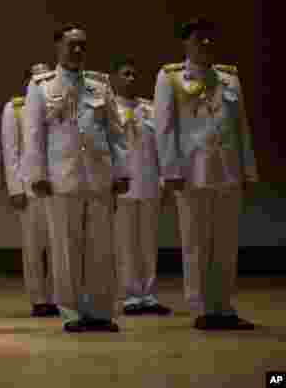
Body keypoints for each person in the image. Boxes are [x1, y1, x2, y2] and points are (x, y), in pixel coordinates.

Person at [22, 23, 128, 333]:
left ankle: (100, 312)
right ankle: (71, 313)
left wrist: (123, 171)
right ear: (58, 47)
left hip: (98, 177)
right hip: (61, 178)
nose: (78, 50)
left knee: (100, 247)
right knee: (66, 248)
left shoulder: (99, 85)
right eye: (72, 45)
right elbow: (33, 135)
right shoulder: (42, 86)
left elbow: (115, 132)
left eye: (82, 45)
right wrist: (37, 174)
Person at [154, 17, 258, 330]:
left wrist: (248, 171)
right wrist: (170, 171)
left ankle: (224, 306)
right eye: (200, 39)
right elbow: (164, 128)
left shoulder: (229, 79)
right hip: (192, 173)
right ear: (186, 43)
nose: (206, 45)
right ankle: (201, 308)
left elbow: (241, 128)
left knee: (226, 243)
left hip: (227, 170)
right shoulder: (170, 77)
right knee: (196, 242)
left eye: (211, 39)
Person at [109, 55, 173, 316]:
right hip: (122, 187)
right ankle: (130, 295)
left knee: (148, 242)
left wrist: (163, 180)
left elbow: (161, 148)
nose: (131, 78)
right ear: (113, 78)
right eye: (125, 74)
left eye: (134, 74)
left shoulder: (150, 109)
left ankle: (149, 294)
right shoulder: (107, 108)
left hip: (148, 184)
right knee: (125, 243)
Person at [1, 62, 61, 318]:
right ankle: (38, 298)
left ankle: (60, 296)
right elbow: (11, 151)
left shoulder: (59, 103)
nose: (41, 79)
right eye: (35, 75)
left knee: (60, 245)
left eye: (45, 75)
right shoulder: (16, 109)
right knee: (34, 247)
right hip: (30, 188)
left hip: (58, 185)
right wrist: (15, 188)